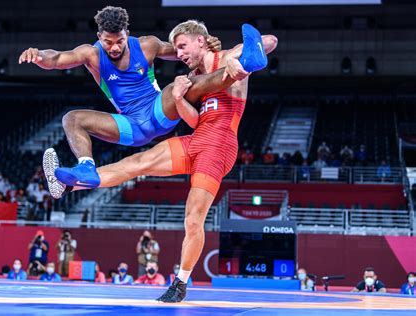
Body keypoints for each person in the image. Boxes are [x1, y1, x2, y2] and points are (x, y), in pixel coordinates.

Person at [46, 21, 275, 302]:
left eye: (182, 46)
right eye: (176, 48)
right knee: (138, 163)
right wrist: (179, 99)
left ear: (200, 41)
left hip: (220, 146)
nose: (178, 54)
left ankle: (180, 283)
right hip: (198, 138)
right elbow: (194, 121)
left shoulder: (227, 56)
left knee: (193, 219)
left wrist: (251, 51)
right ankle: (71, 186)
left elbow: (271, 40)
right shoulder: (193, 76)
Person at [31, 7, 272, 198]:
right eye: (108, 42)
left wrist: (207, 44)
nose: (114, 47)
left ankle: (244, 66)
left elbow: (183, 51)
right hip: (131, 126)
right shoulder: (91, 54)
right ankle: (85, 168)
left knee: (180, 84)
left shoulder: (147, 45)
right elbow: (58, 58)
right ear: (99, 37)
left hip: (159, 111)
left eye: (120, 41)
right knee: (71, 119)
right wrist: (39, 55)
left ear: (127, 33)